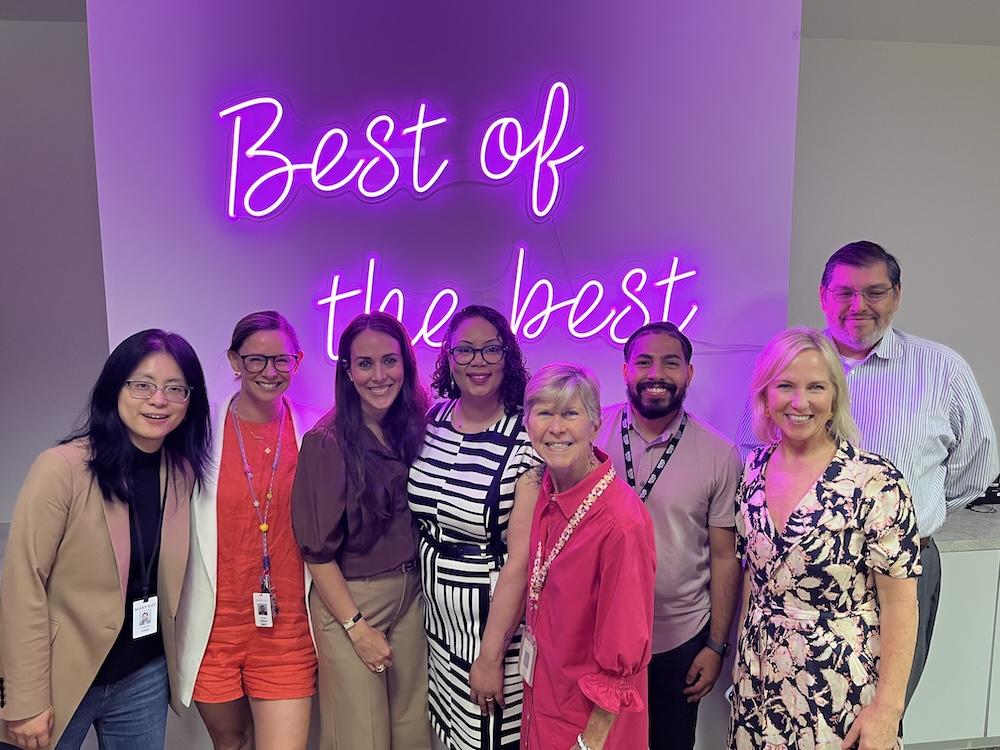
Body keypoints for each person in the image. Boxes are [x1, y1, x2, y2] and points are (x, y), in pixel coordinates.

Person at [736, 240, 998, 702]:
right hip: (795, 580)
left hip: (901, 571)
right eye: (844, 293)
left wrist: (905, 521)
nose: (859, 306)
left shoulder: (941, 370)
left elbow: (976, 469)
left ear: (896, 295)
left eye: (875, 292)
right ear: (822, 296)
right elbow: (752, 454)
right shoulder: (789, 363)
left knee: (878, 712)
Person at [0, 329, 211, 750]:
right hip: (62, 674)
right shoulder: (62, 469)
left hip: (143, 675)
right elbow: (23, 585)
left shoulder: (183, 473)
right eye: (142, 385)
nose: (159, 400)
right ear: (115, 389)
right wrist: (23, 700)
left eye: (175, 389)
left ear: (190, 402)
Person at [729, 327, 920, 750]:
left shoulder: (874, 481)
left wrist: (888, 709)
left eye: (816, 387)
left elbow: (901, 602)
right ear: (765, 394)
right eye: (785, 386)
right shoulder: (753, 470)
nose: (800, 403)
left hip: (839, 688)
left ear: (835, 396)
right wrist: (740, 669)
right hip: (759, 683)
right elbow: (753, 579)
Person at [595, 322, 742, 749]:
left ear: (689, 374)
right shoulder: (588, 436)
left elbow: (723, 557)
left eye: (670, 362)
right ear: (625, 370)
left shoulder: (720, 454)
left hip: (679, 641)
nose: (656, 373)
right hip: (598, 637)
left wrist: (715, 645)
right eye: (644, 361)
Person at [176, 311, 317, 750]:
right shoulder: (197, 432)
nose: (269, 372)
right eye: (256, 360)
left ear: (297, 362)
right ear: (235, 362)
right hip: (215, 628)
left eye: (281, 360)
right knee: (231, 743)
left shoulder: (315, 430)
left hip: (287, 626)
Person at [291, 312, 432, 750]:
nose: (379, 375)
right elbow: (316, 552)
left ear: (406, 364)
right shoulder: (326, 442)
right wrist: (356, 627)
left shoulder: (414, 425)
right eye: (365, 364)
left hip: (412, 591)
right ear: (348, 371)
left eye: (389, 361)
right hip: (352, 599)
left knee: (413, 730)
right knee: (362, 738)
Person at [502, 362, 655, 750]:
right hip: (545, 704)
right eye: (544, 413)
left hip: (588, 729)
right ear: (527, 421)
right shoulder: (546, 488)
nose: (556, 428)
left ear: (594, 424)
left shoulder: (620, 523)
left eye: (570, 413)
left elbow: (622, 661)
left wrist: (590, 742)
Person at [408, 305, 537, 750]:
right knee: (448, 737)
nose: (477, 362)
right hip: (438, 623)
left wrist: (490, 656)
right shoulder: (433, 419)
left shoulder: (526, 434)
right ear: (447, 357)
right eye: (464, 350)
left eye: (490, 350)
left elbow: (521, 558)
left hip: (490, 625)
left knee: (487, 738)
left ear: (508, 356)